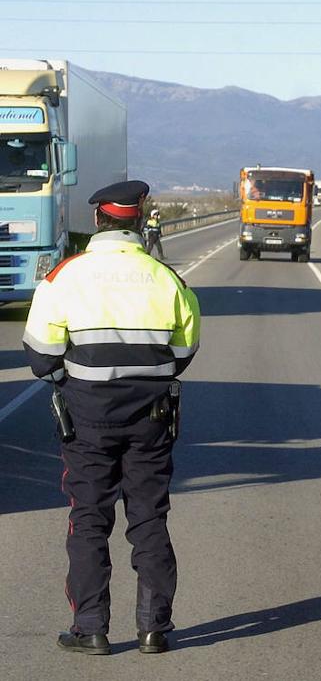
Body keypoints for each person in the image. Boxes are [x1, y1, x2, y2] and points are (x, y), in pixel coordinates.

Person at [22, 180, 200, 656]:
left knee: (88, 520)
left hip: (86, 420)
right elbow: (183, 353)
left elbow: (40, 357)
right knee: (149, 521)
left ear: (98, 220)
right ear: (139, 220)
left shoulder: (65, 277)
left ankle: (91, 629)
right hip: (151, 420)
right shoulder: (168, 280)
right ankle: (154, 629)